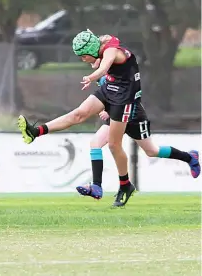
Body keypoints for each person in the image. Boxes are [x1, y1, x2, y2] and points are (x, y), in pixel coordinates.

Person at [18, 30, 200, 207]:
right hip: (112, 95)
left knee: (142, 149)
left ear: (91, 50)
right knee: (83, 122)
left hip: (127, 105)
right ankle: (37, 132)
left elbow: (104, 66)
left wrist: (92, 77)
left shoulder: (111, 51)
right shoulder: (100, 51)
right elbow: (103, 67)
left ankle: (129, 184)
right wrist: (103, 94)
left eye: (83, 55)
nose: (82, 59)